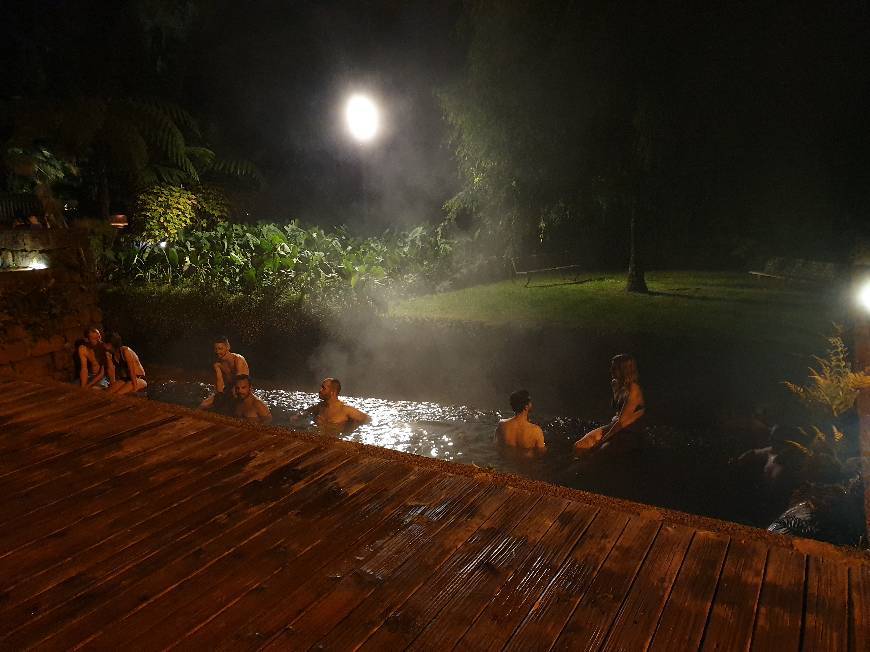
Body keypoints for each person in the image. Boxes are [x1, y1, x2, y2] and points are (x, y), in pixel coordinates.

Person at [574, 353, 645, 454]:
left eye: (615, 368)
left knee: (598, 452)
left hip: (629, 430)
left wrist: (601, 441)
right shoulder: (615, 384)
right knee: (579, 446)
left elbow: (622, 423)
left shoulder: (634, 390)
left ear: (624, 370)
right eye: (612, 367)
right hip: (615, 424)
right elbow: (618, 415)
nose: (611, 370)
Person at [199, 336, 249, 410]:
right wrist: (219, 397)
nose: (217, 352)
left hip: (241, 391)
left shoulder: (238, 359)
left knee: (230, 407)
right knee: (204, 405)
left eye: (220, 348)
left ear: (227, 347)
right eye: (215, 349)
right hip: (229, 390)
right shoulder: (217, 364)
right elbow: (220, 384)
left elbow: (240, 384)